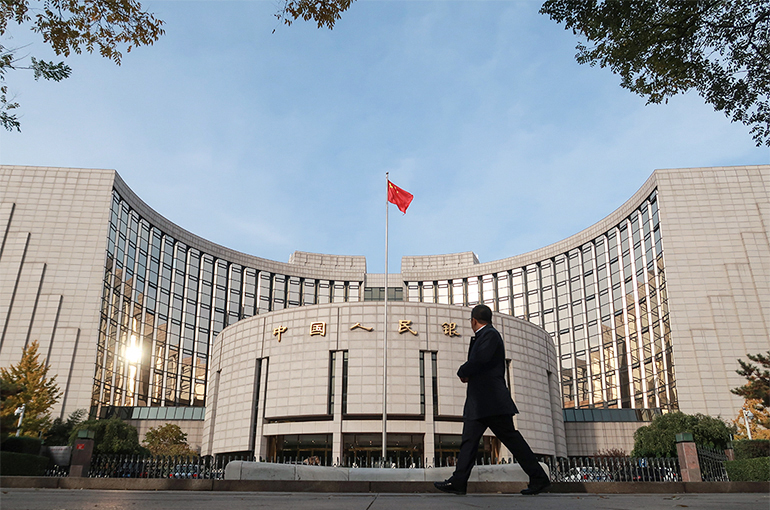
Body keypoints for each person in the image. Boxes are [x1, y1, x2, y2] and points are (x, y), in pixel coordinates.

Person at [434, 304, 551, 496]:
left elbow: (480, 359)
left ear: (473, 320)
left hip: (491, 402)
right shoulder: (487, 335)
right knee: (470, 442)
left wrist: (463, 371)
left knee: (511, 440)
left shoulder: (489, 335)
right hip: (482, 403)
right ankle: (458, 482)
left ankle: (539, 478)